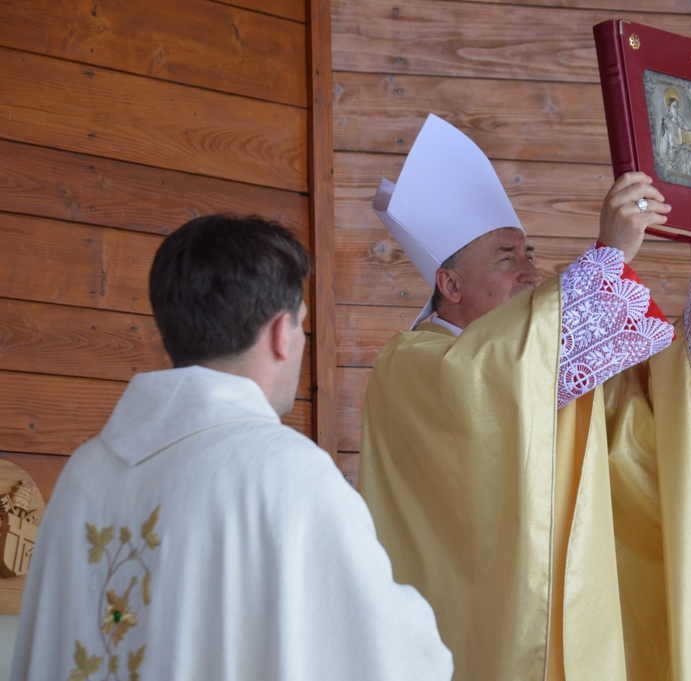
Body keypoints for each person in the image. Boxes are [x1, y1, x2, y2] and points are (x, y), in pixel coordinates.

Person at [360, 114, 691, 681]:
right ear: (450, 285)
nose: (532, 273)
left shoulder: (552, 362)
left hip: (592, 619)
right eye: (507, 258)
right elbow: (494, 378)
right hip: (482, 638)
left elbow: (671, 421)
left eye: (529, 253)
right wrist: (610, 254)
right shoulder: (412, 364)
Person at [11, 215, 452, 680]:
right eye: (302, 324)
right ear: (281, 332)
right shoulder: (287, 474)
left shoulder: (84, 474)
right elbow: (398, 660)